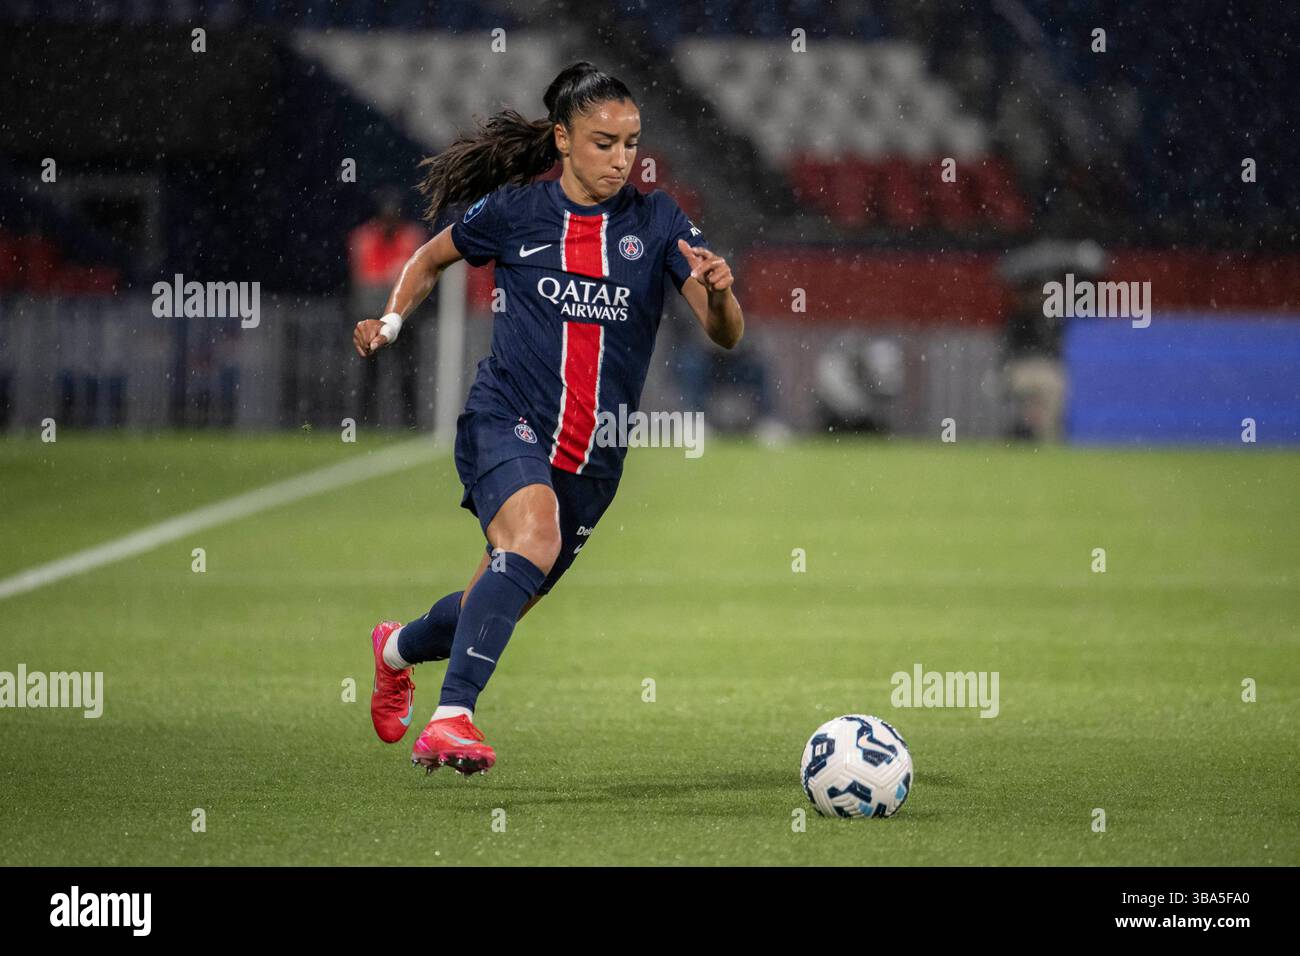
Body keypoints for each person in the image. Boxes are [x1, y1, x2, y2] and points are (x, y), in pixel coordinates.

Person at [351, 62, 744, 776]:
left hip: (593, 463)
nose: (621, 158)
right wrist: (391, 321)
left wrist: (719, 294)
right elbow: (430, 257)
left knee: (489, 603)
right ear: (562, 140)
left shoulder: (657, 222)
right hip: (506, 418)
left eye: (631, 142)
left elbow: (726, 334)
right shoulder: (515, 213)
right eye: (603, 142)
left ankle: (394, 650)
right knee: (532, 538)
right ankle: (451, 720)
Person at [347, 188, 427, 427]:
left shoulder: (411, 236)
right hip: (371, 315)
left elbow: (408, 275)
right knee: (368, 374)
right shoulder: (364, 237)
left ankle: (409, 422)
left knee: (407, 371)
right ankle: (364, 421)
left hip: (402, 318)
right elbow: (369, 278)